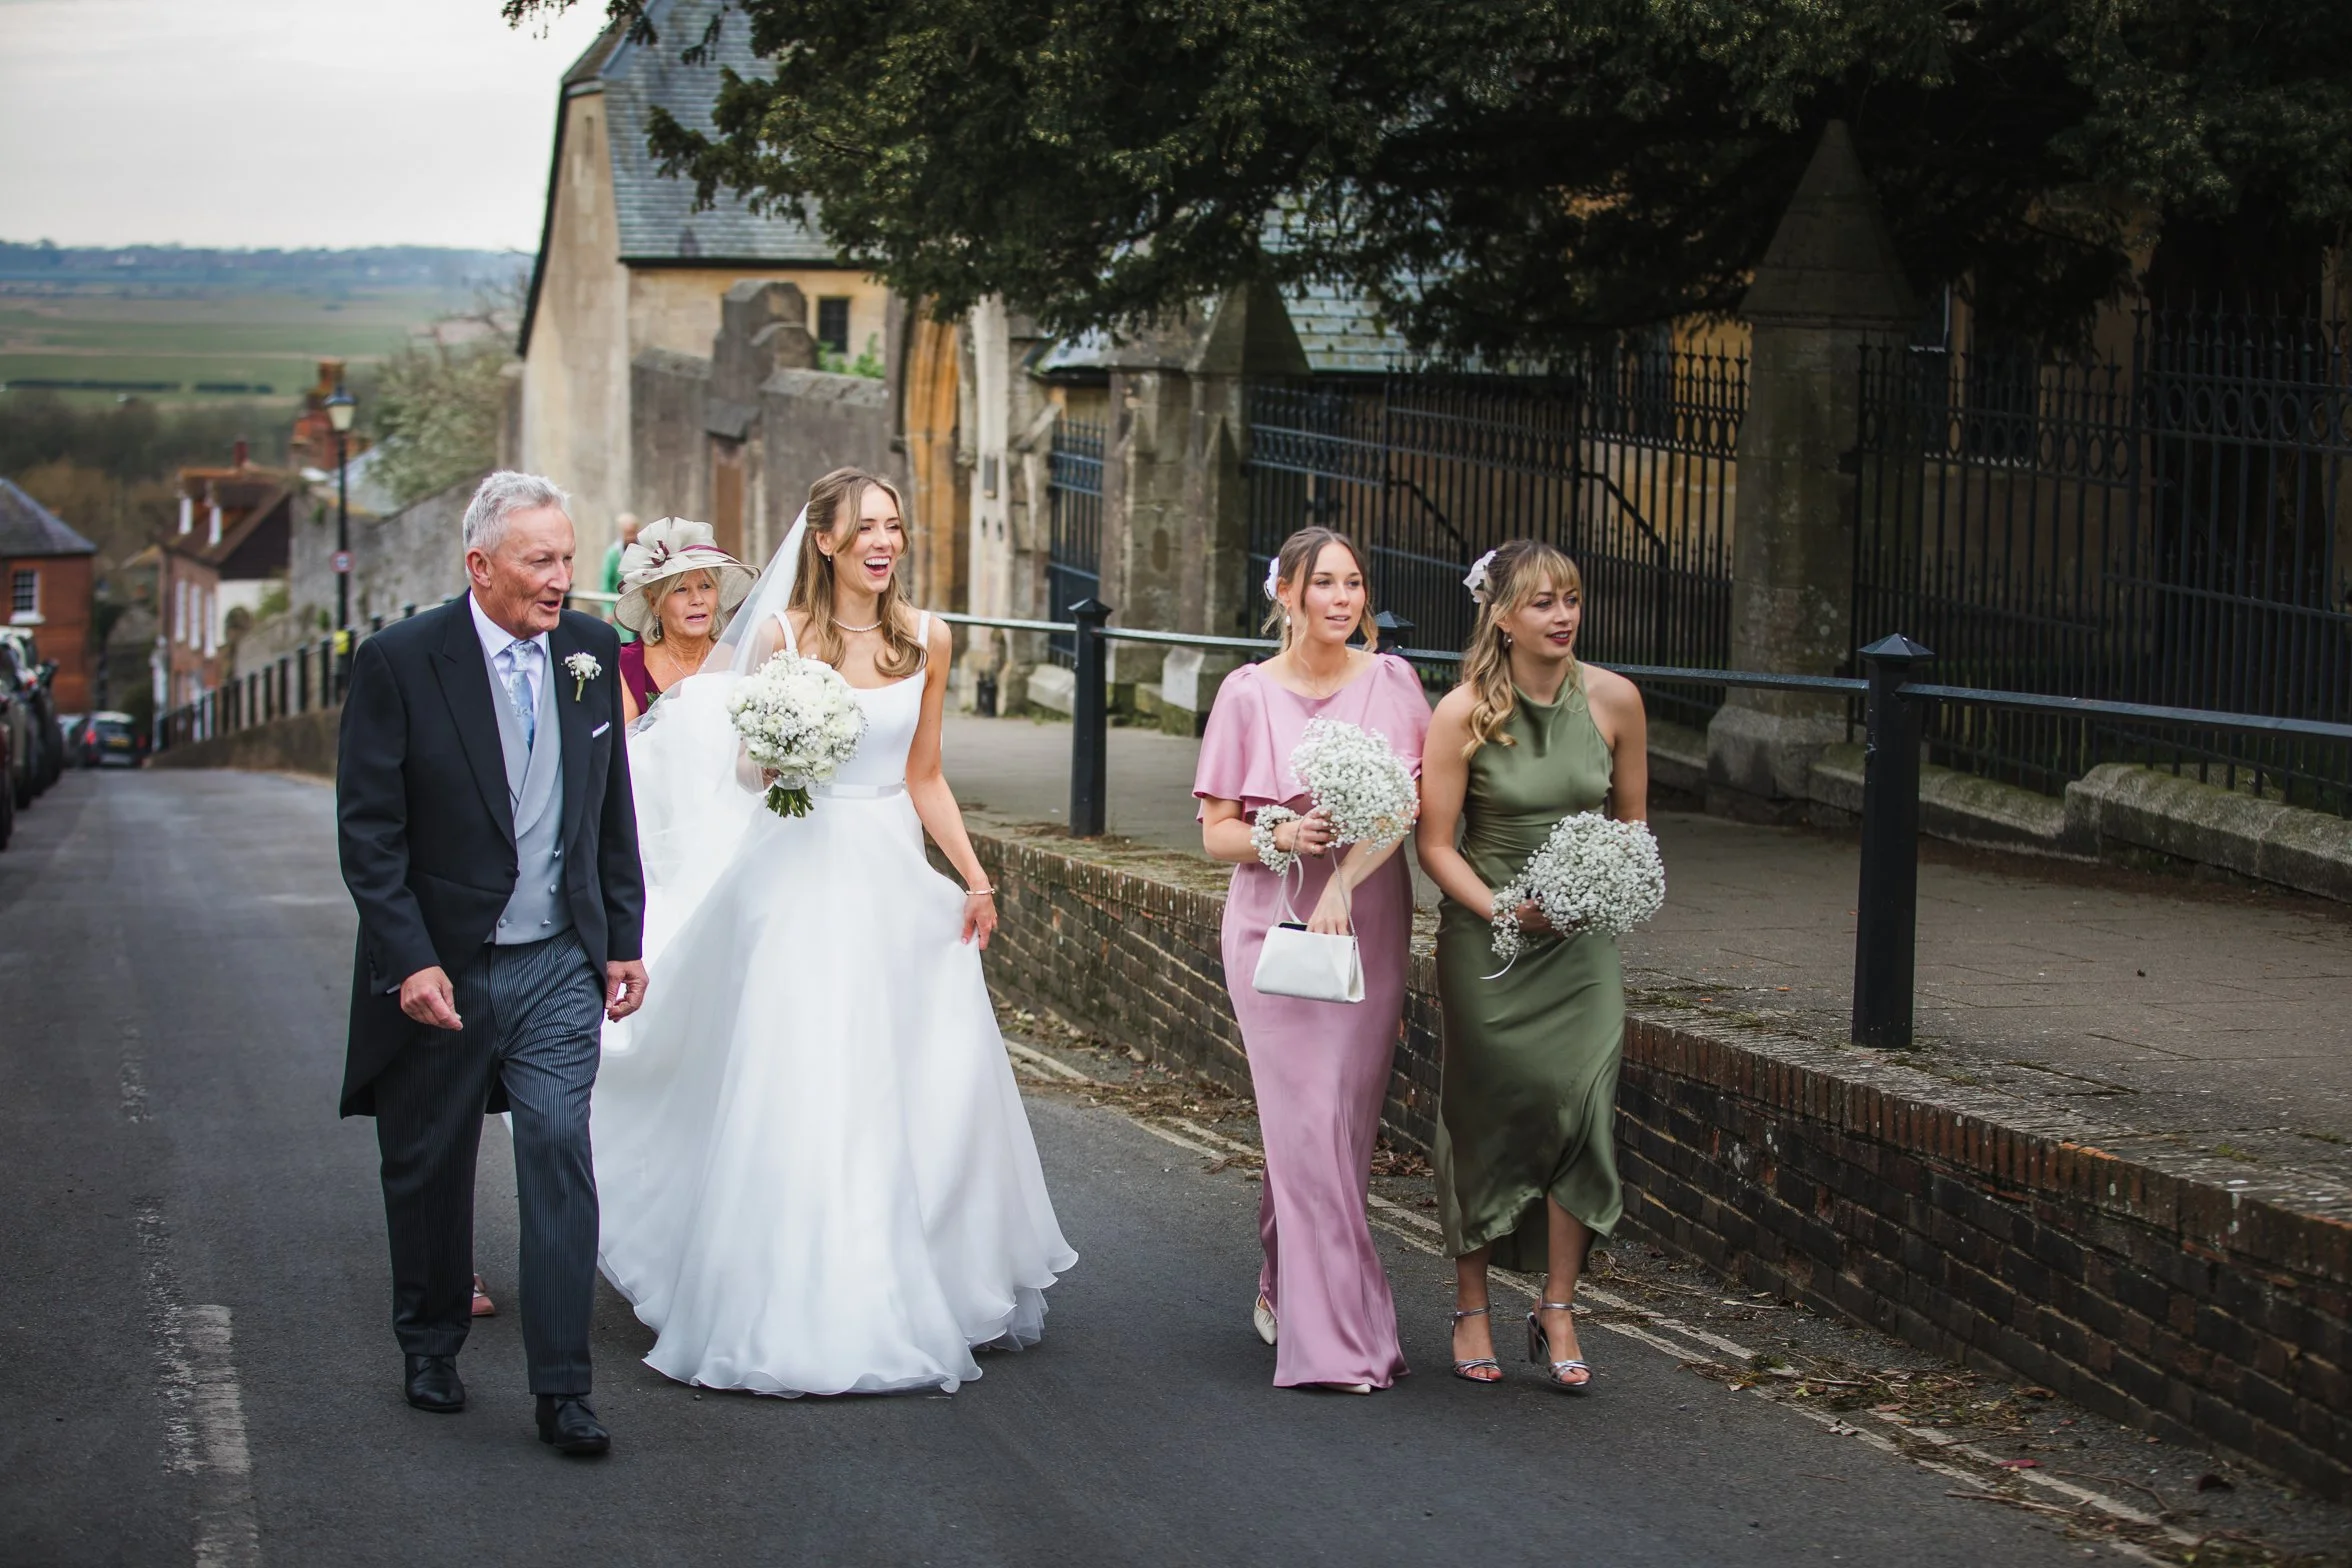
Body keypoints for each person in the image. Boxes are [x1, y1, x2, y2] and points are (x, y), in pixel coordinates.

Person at [590, 466, 1075, 1396]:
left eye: (893, 526)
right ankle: (792, 1294)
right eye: (864, 530)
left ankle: (918, 1272)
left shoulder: (930, 638)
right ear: (824, 542)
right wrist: (786, 750)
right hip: (795, 876)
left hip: (891, 876)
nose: (883, 544)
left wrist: (973, 876)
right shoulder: (779, 635)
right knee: (804, 1080)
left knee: (917, 1078)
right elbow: (743, 771)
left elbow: (925, 774)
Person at [336, 470, 649, 1455]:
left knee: (559, 1145)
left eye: (568, 555)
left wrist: (623, 933)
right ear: (481, 565)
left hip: (558, 956)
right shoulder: (400, 662)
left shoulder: (595, 651)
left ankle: (563, 1388)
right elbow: (370, 830)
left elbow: (608, 803)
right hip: (446, 963)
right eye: (540, 560)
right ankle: (428, 1341)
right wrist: (410, 959)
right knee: (431, 1159)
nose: (563, 578)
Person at [1193, 527, 1429, 1394]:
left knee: (1338, 1129)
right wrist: (1280, 835)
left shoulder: (1395, 684)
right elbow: (1217, 831)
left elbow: (1409, 806)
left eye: (1354, 583)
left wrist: (1346, 880)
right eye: (1323, 583)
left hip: (1366, 916)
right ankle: (1339, 1339)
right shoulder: (1247, 694)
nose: (1342, 599)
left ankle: (1280, 1276)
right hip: (1271, 920)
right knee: (1302, 1121)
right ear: (1285, 594)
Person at [1414, 539, 1649, 1391]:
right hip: (1489, 941)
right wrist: (1504, 910)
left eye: (1572, 600)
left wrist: (1606, 891)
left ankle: (1557, 1303)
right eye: (1544, 602)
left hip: (1582, 949)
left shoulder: (1617, 701)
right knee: (1484, 1115)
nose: (1563, 616)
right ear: (1502, 616)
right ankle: (1471, 1303)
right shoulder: (1463, 712)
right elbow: (1434, 844)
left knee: (1579, 1109)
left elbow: (1631, 829)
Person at [611, 517, 756, 724]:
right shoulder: (627, 665)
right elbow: (623, 750)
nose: (697, 600)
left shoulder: (742, 659)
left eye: (706, 586)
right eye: (681, 590)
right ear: (654, 602)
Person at [601, 514, 642, 644]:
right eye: (627, 533)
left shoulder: (644, 551)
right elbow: (604, 583)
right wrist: (608, 610)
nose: (630, 537)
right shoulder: (613, 554)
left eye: (633, 532)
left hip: (641, 608)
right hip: (619, 607)